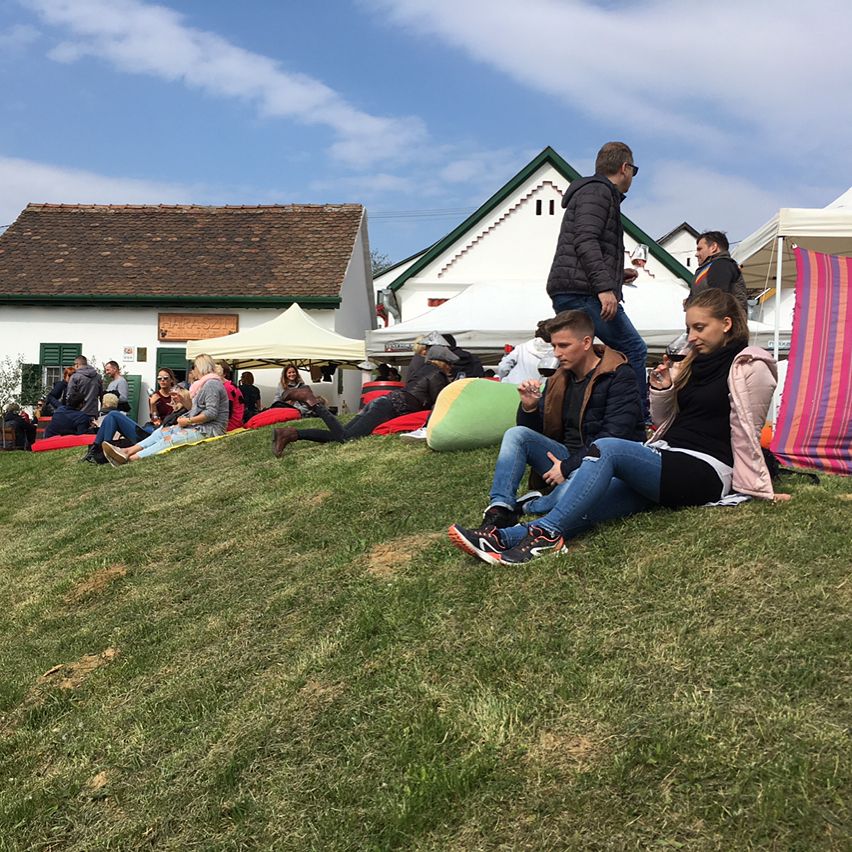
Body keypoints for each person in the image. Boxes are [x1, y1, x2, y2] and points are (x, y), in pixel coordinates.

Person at [449, 290, 786, 565]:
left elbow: (748, 428)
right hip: (668, 458)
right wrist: (663, 389)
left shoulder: (749, 365)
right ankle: (502, 537)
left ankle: (547, 536)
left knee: (607, 447)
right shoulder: (693, 363)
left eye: (699, 327)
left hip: (707, 469)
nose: (692, 336)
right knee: (588, 504)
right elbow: (666, 420)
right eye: (689, 328)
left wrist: (757, 485)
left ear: (726, 324)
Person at [469, 309, 645, 529]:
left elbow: (615, 435)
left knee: (569, 496)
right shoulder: (558, 376)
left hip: (603, 463)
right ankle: (500, 508)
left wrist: (567, 467)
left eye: (563, 345)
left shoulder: (618, 374)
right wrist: (529, 408)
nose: (557, 353)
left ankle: (528, 505)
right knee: (517, 435)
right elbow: (538, 432)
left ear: (586, 342)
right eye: (554, 346)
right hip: (563, 457)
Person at [546, 141, 648, 417]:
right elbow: (586, 240)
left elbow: (585, 243)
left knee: (582, 357)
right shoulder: (599, 192)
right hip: (584, 292)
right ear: (625, 167)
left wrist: (616, 274)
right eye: (634, 170)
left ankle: (569, 414)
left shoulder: (590, 192)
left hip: (571, 287)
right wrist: (605, 287)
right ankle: (636, 417)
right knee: (633, 349)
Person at [272, 345, 458, 456]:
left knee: (341, 435)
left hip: (384, 403)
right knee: (348, 438)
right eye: (450, 364)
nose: (451, 367)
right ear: (442, 362)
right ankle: (311, 400)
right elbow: (439, 403)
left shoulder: (422, 370)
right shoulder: (437, 375)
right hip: (389, 408)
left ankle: (289, 434)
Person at [102, 354, 228, 466]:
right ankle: (127, 451)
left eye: (165, 378)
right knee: (160, 432)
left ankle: (130, 459)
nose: (192, 371)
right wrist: (161, 404)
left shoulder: (211, 384)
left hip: (208, 429)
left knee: (167, 438)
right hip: (175, 425)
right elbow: (157, 419)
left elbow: (211, 413)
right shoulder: (202, 385)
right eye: (159, 378)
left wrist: (188, 420)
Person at [687, 231, 749, 316]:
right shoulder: (708, 268)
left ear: (713, 247)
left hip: (719, 322)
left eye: (699, 249)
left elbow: (717, 300)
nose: (696, 254)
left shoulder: (721, 264)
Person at [495, 320, 555, 384]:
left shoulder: (522, 347)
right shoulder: (557, 353)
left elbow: (503, 367)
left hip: (514, 385)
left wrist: (503, 380)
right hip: (540, 387)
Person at [216, 360, 245, 431]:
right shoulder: (229, 385)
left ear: (224, 374)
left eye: (216, 372)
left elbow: (227, 412)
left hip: (231, 425)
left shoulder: (227, 388)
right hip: (236, 422)